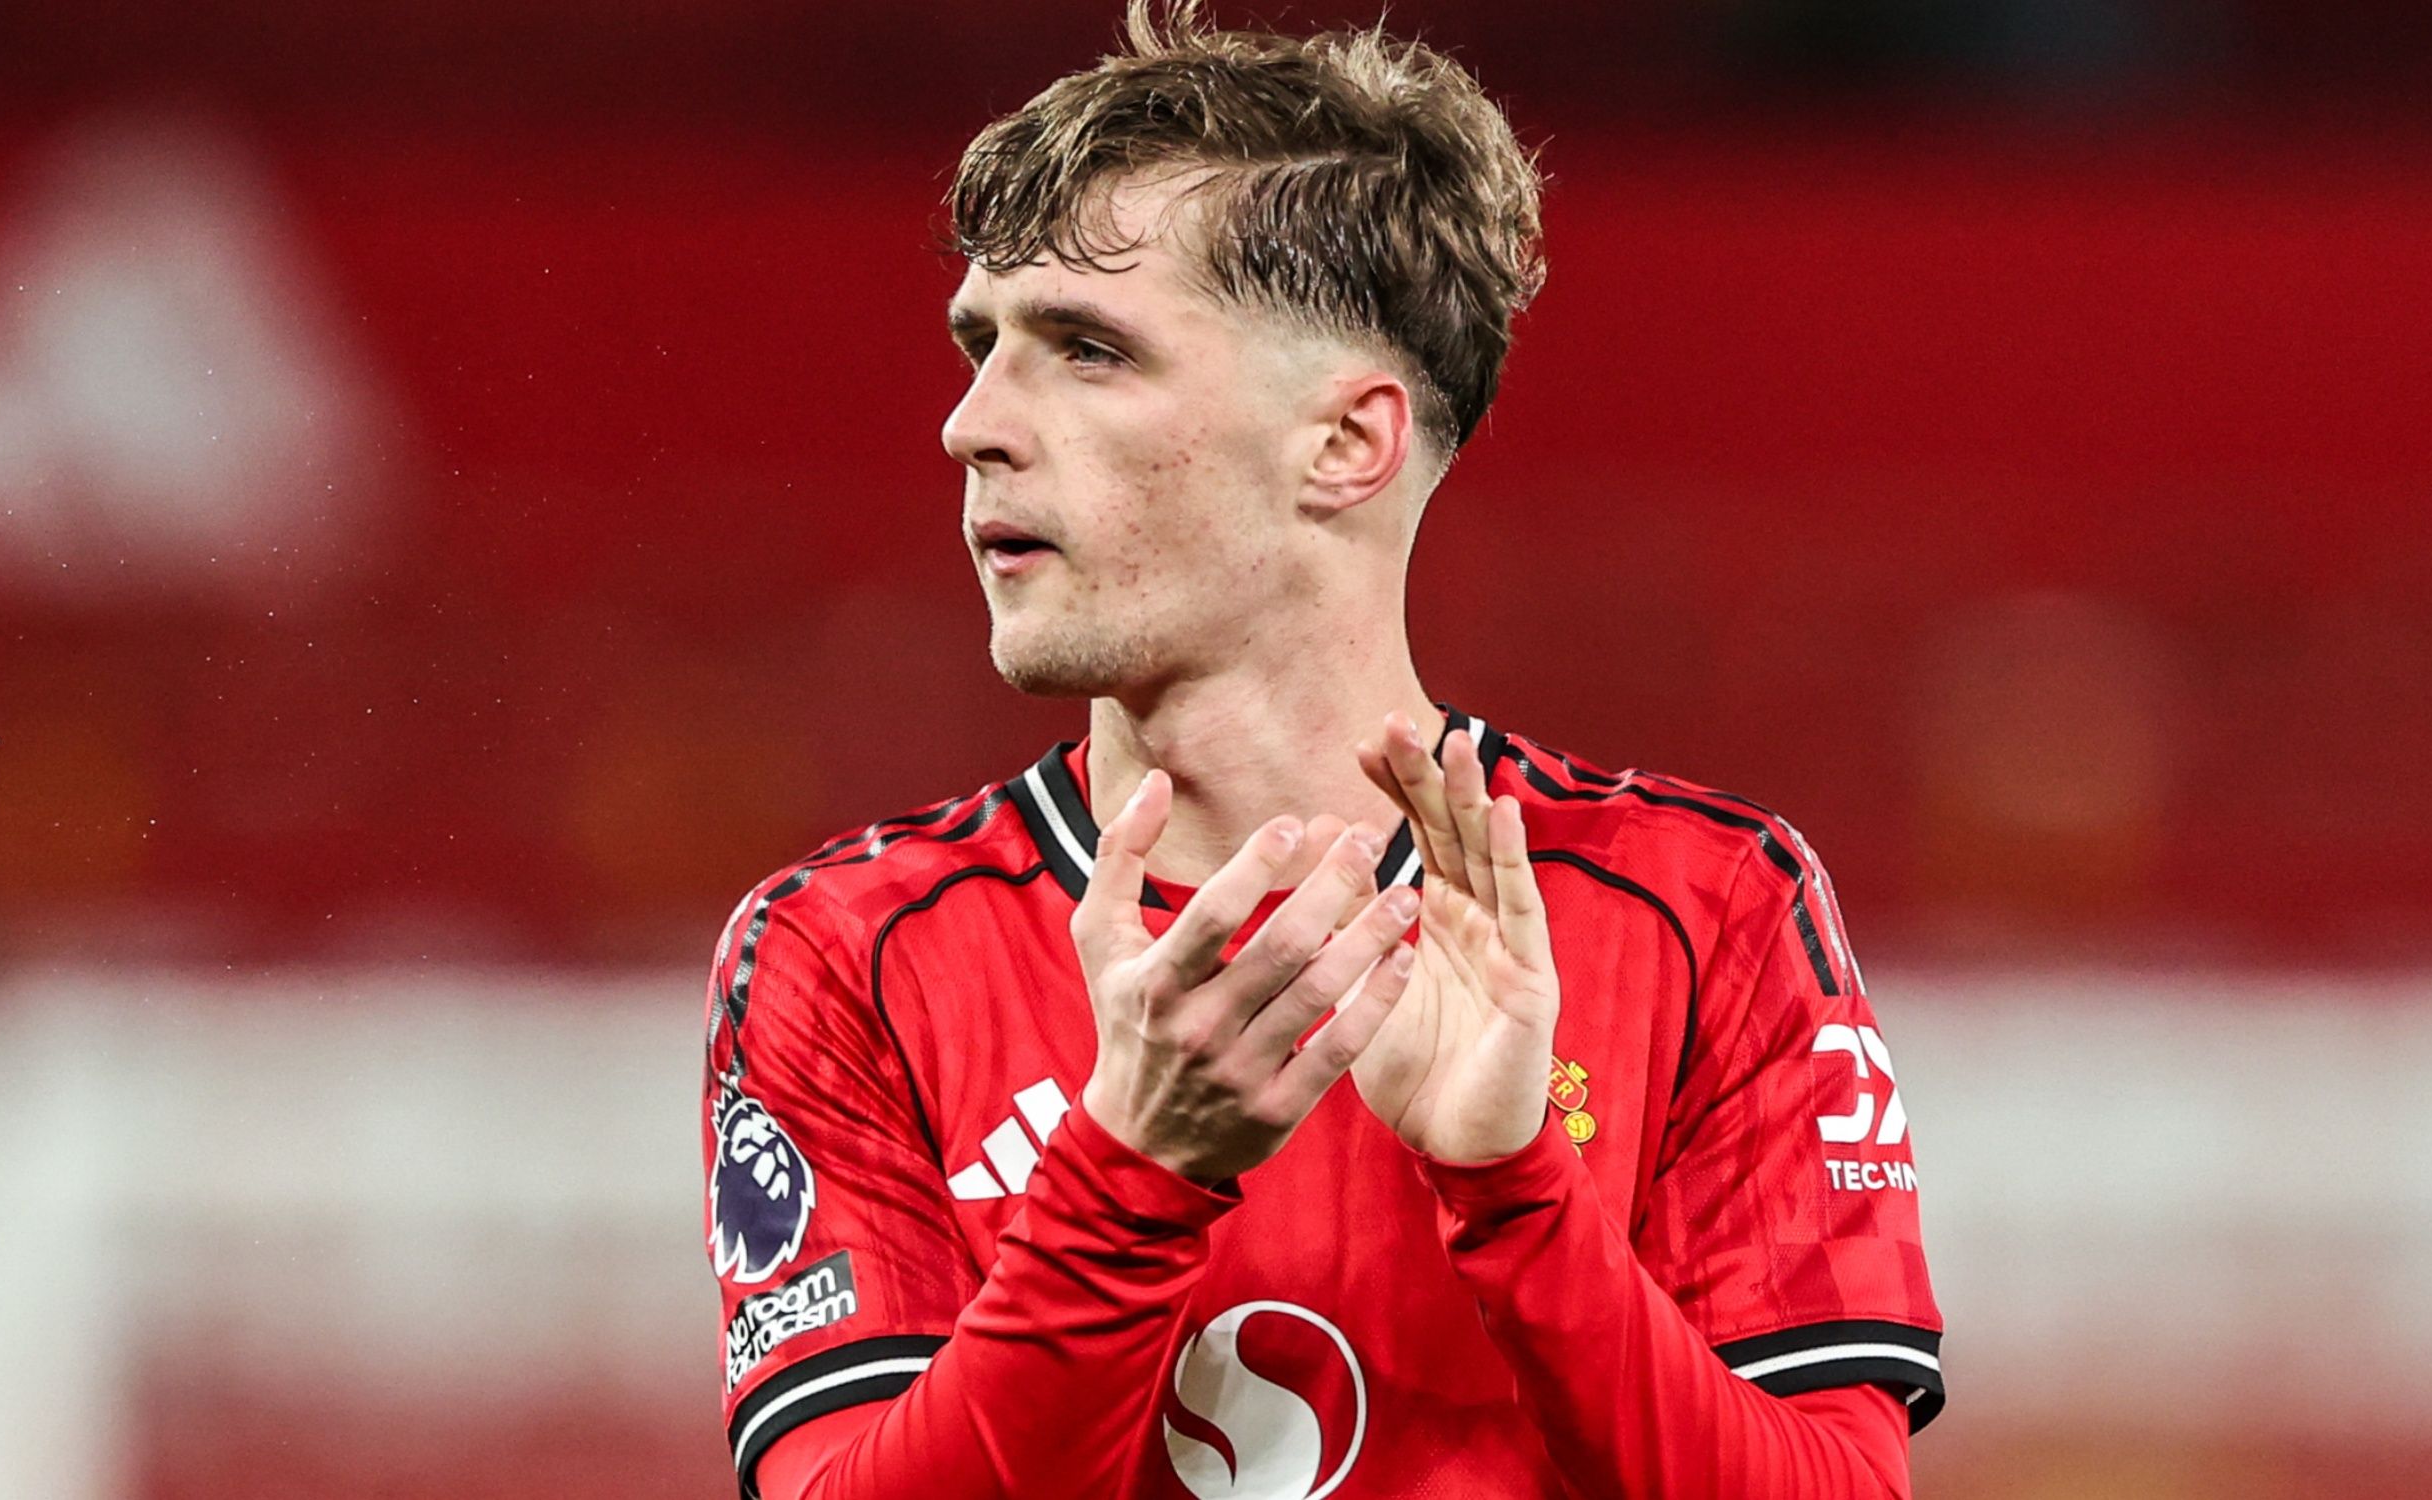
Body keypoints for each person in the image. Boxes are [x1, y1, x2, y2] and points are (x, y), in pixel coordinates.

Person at [700, 4, 1942, 1494]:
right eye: (983, 346)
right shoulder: (843, 956)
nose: (973, 423)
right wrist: (1134, 1176)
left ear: (1347, 444)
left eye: (1087, 351)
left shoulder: (1708, 908)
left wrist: (1515, 1193)